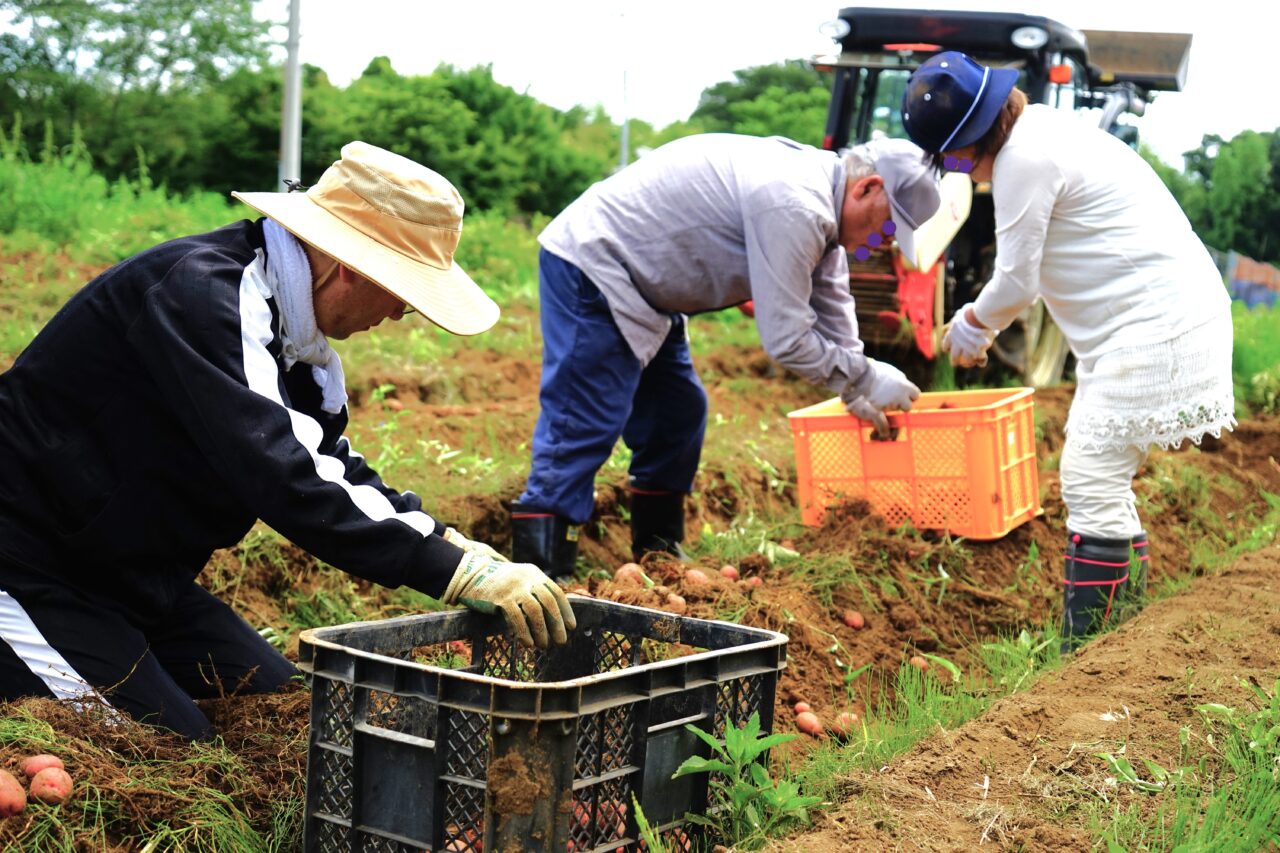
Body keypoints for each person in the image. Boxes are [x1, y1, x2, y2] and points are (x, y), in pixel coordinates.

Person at [0, 141, 576, 740]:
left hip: (138, 582)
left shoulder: (302, 351)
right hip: (29, 568)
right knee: (174, 752)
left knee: (288, 711)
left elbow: (326, 459)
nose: (406, 312)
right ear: (353, 265)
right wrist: (449, 570)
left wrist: (454, 545)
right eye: (405, 290)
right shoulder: (205, 295)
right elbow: (286, 472)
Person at [901, 52, 1235, 648]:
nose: (957, 170)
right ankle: (1118, 637)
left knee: (1089, 479)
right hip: (1158, 320)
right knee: (1101, 479)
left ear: (974, 138)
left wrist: (972, 327)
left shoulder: (1024, 159)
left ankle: (1087, 651)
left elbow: (1017, 280)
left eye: (952, 157)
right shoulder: (1044, 133)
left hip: (1155, 326)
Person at [510, 134, 940, 577]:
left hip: (652, 288)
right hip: (596, 262)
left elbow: (830, 302)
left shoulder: (822, 210)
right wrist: (865, 377)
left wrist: (857, 389)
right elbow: (788, 339)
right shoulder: (795, 203)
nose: (883, 240)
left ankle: (657, 552)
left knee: (678, 412)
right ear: (866, 188)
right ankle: (540, 569)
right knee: (584, 416)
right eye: (887, 225)